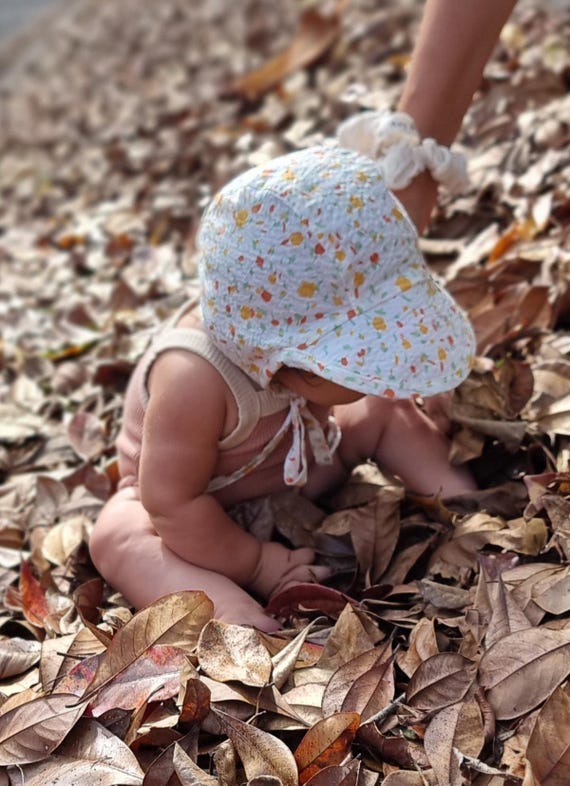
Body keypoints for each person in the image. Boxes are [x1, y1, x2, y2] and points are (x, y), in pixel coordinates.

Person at [89, 144, 476, 631]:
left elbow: (372, 393)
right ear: (289, 361)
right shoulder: (193, 379)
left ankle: (467, 505)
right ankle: (225, 610)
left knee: (380, 410)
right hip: (201, 510)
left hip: (300, 459)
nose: (386, 367)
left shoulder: (285, 325)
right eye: (365, 357)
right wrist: (254, 562)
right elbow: (169, 504)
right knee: (116, 537)